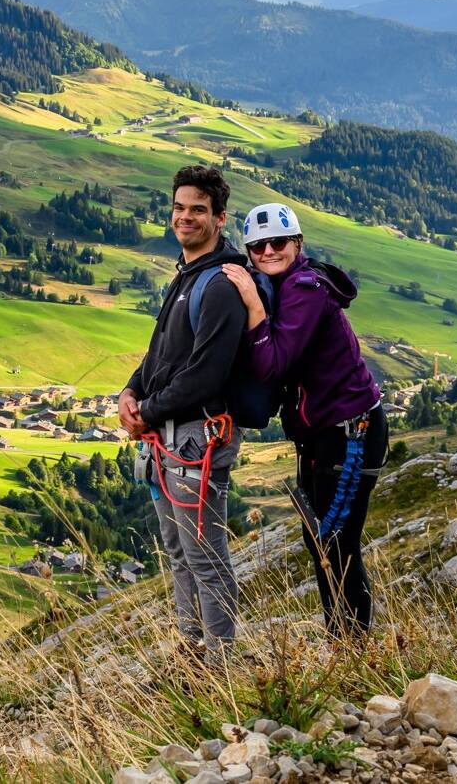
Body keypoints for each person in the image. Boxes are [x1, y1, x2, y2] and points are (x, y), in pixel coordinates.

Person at [222, 202, 386, 637]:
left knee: (337, 543)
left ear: (297, 244)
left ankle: (353, 649)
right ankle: (343, 644)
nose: (268, 251)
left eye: (279, 242)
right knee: (322, 543)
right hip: (322, 436)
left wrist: (254, 308)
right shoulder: (289, 284)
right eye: (258, 246)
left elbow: (274, 363)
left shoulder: (305, 289)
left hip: (349, 432)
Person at [119, 164, 248, 654]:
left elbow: (205, 376)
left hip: (198, 436)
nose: (185, 217)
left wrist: (146, 411)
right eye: (179, 207)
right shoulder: (187, 275)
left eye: (198, 209)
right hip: (168, 435)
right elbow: (160, 356)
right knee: (178, 554)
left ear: (219, 218)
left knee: (204, 555)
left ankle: (219, 662)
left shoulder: (219, 285)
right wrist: (129, 395)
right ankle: (191, 652)